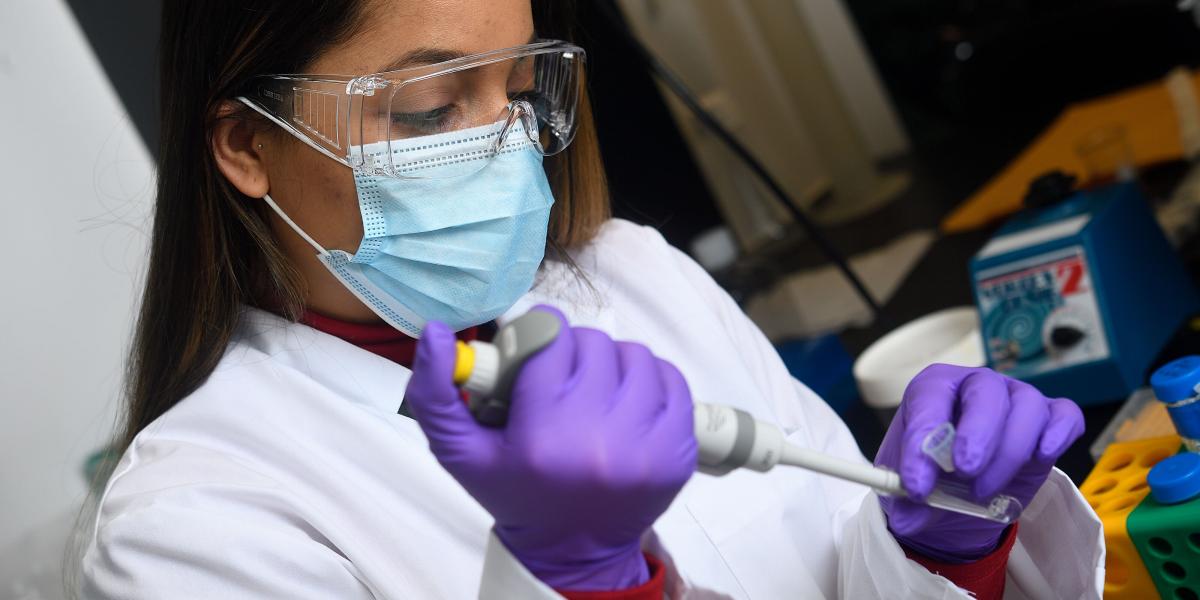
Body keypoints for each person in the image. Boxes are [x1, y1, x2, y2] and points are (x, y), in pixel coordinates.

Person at [80, 0, 1103, 598]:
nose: (507, 143)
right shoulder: (189, 527)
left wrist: (939, 547)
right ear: (247, 146)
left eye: (519, 92)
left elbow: (838, 568)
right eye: (432, 107)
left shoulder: (629, 272)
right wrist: (571, 578)